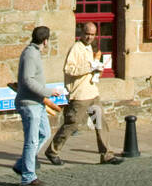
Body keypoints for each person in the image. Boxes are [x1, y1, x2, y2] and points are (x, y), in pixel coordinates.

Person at [44, 23, 122, 165]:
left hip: (92, 92)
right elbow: (69, 69)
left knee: (100, 123)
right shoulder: (76, 48)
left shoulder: (89, 48)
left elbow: (90, 69)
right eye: (87, 34)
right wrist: (89, 67)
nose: (90, 37)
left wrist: (97, 70)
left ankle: (106, 155)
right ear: (81, 33)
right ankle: (52, 151)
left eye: (92, 34)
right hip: (79, 95)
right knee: (72, 124)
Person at [13, 25, 60, 186]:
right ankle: (28, 176)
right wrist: (47, 92)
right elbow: (27, 80)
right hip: (29, 104)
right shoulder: (31, 54)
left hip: (37, 103)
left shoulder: (34, 53)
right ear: (46, 41)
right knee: (31, 141)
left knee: (44, 133)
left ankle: (22, 165)